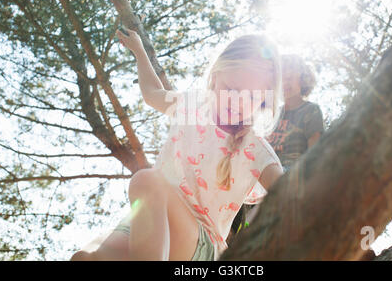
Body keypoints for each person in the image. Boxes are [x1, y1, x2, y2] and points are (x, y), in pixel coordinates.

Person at [71, 33, 285, 261]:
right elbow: (152, 94)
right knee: (84, 257)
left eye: (252, 97)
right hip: (152, 220)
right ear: (215, 76)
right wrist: (139, 52)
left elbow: (288, 192)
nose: (238, 102)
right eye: (231, 89)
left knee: (147, 181)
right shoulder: (192, 106)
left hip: (199, 243)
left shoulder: (255, 148)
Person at [228, 53, 324, 240]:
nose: (285, 83)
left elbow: (316, 149)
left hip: (291, 171)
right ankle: (229, 237)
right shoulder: (269, 115)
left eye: (290, 78)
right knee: (236, 189)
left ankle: (249, 235)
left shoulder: (310, 110)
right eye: (281, 79)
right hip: (262, 171)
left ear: (303, 80)